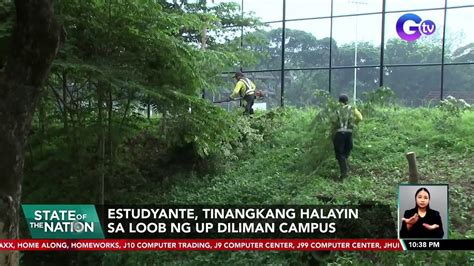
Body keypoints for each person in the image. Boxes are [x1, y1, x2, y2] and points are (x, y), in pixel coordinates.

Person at [333, 94, 362, 180]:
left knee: (340, 154)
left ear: (339, 101)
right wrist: (353, 123)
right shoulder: (352, 109)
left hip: (339, 134)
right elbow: (360, 118)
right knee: (347, 151)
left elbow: (333, 120)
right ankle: (345, 168)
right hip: (349, 133)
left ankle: (344, 173)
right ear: (347, 101)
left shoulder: (337, 110)